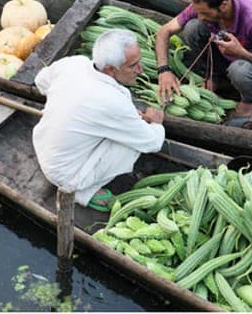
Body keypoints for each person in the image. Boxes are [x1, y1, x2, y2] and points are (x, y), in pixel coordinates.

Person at [32, 29, 165, 212]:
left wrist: (67, 103)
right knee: (132, 145)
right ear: (111, 69)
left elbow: (41, 81)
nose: (140, 70)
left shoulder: (74, 63)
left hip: (43, 149)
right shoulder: (113, 101)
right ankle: (83, 191)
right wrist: (157, 122)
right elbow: (153, 143)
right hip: (65, 174)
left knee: (123, 129)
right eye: (133, 66)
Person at [155, 0, 252, 126]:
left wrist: (241, 53)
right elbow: (164, 32)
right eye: (199, 12)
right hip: (223, 61)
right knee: (192, 28)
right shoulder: (203, 4)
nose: (200, 16)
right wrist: (164, 70)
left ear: (223, 5)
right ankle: (214, 76)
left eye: (204, 13)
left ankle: (251, 101)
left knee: (239, 70)